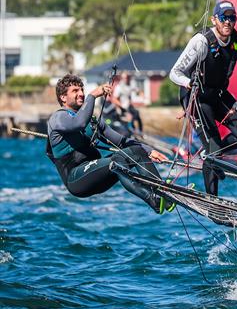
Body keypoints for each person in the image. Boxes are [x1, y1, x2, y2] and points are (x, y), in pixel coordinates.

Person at [46, 74, 172, 214]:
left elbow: (120, 141)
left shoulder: (93, 121)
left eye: (82, 90)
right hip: (76, 180)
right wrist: (92, 95)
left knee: (135, 151)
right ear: (63, 97)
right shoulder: (58, 118)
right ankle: (154, 200)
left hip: (96, 174)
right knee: (117, 160)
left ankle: (161, 191)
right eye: (75, 91)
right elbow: (79, 123)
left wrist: (148, 151)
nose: (81, 93)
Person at [169, 0, 237, 195]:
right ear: (214, 19)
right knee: (213, 149)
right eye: (224, 17)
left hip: (218, 94)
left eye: (232, 18)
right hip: (195, 95)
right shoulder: (201, 41)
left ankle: (212, 154)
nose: (228, 22)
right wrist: (189, 83)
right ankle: (212, 199)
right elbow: (175, 72)